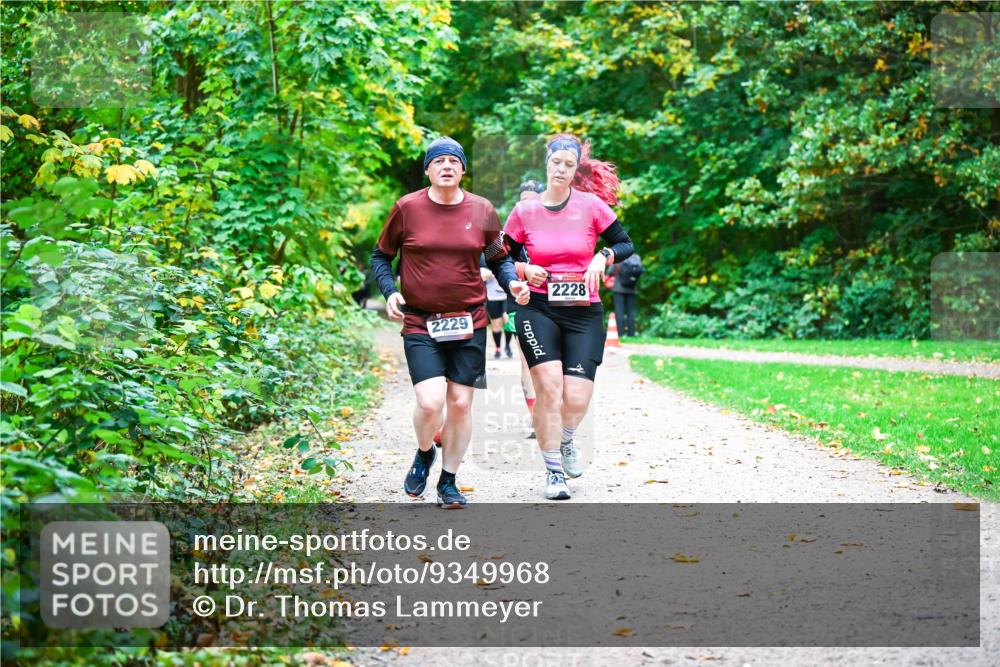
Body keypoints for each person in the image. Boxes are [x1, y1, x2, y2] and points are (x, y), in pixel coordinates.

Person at [370, 136, 530, 508]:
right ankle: (425, 452)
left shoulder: (482, 210)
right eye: (438, 161)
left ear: (462, 169)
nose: (446, 166)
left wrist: (512, 283)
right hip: (421, 322)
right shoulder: (407, 208)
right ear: (427, 169)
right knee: (430, 403)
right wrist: (389, 290)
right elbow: (381, 257)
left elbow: (498, 258)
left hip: (470, 321)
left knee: (460, 404)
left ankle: (449, 481)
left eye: (453, 161)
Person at [503, 135, 634, 500]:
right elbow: (495, 257)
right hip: (538, 308)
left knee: (576, 397)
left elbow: (625, 244)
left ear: (576, 170)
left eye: (568, 164)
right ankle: (554, 473)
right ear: (546, 163)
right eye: (555, 161)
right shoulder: (525, 211)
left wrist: (600, 256)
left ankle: (565, 440)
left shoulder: (591, 206)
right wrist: (523, 270)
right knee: (548, 385)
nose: (560, 168)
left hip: (583, 310)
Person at [505, 180, 546, 438]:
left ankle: (551, 410)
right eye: (523, 199)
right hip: (520, 301)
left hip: (551, 303)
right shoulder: (512, 231)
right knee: (526, 361)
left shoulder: (556, 228)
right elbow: (498, 260)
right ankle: (534, 417)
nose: (527, 203)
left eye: (532, 198)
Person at [480, 254, 512, 359]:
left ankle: (507, 345)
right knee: (496, 324)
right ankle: (498, 347)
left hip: (507, 295)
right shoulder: (483, 257)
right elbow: (480, 275)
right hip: (492, 296)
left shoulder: (506, 254)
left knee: (507, 321)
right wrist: (488, 274)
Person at [606, 252, 644, 337]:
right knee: (631, 312)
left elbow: (610, 271)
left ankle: (620, 334)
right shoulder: (636, 257)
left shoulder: (618, 256)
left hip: (618, 289)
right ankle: (632, 334)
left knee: (619, 311)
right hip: (632, 288)